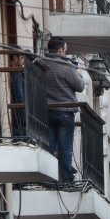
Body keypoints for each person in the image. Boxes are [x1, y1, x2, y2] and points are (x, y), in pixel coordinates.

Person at [42, 36, 85, 183]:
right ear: (60, 50)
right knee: (65, 147)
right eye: (65, 51)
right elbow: (80, 86)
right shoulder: (67, 66)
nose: (65, 53)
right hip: (65, 111)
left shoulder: (41, 63)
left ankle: (48, 178)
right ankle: (67, 180)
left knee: (49, 146)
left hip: (46, 110)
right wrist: (79, 74)